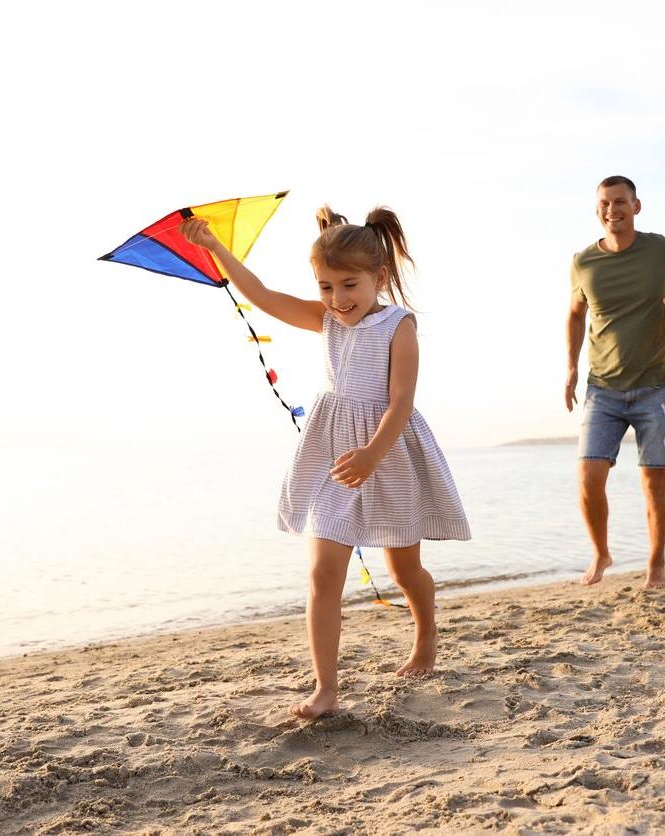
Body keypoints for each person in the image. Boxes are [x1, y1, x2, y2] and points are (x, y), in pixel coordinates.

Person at [180, 206, 470, 720]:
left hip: (389, 451)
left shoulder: (399, 326)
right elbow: (263, 296)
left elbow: (401, 400)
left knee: (405, 569)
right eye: (325, 287)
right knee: (322, 574)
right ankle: (326, 689)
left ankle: (426, 633)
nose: (337, 300)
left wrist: (373, 454)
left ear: (379, 278)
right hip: (334, 452)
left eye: (349, 285)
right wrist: (216, 250)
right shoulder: (327, 321)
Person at [566, 175, 665, 589]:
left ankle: (656, 565)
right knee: (588, 477)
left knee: (654, 481)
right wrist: (571, 369)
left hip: (657, 386)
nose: (612, 210)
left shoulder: (662, 250)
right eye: (605, 203)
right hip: (603, 388)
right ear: (597, 209)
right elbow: (575, 315)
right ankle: (601, 553)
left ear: (636, 206)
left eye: (620, 202)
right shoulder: (583, 261)